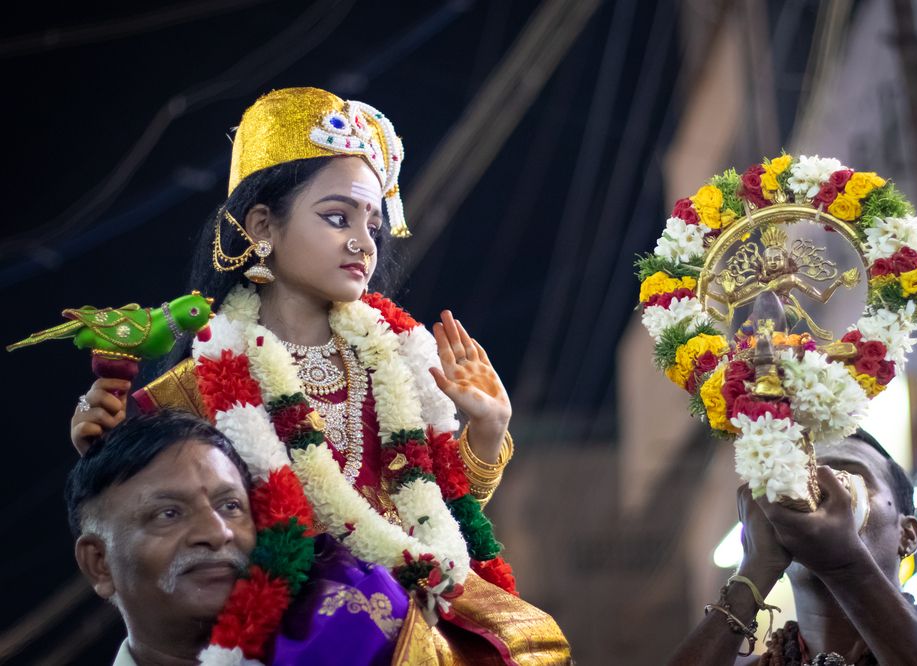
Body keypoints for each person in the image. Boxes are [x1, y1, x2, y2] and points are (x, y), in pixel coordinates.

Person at [67, 87, 570, 664]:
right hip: (287, 622)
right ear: (263, 227)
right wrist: (103, 446)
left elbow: (445, 505)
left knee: (532, 643)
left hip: (422, 600)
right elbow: (151, 520)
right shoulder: (198, 383)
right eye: (337, 217)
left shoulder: (399, 360)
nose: (363, 242)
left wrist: (487, 429)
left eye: (373, 222)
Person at [666, 432, 917, 665]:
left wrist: (845, 567)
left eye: (850, 474)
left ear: (908, 534)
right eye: (798, 482)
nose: (817, 490)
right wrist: (752, 574)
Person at [66, 411, 257, 666]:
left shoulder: (324, 641)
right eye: (168, 514)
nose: (217, 532)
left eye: (230, 506)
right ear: (99, 563)